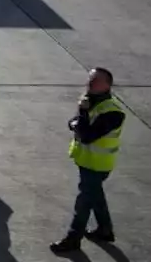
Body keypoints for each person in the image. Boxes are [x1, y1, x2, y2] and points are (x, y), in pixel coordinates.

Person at [50, 68, 126, 253]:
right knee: (95, 196)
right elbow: (73, 122)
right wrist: (78, 118)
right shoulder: (90, 99)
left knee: (84, 201)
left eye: (95, 80)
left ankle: (73, 238)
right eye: (90, 79)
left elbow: (86, 135)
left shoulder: (113, 111)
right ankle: (105, 230)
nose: (90, 83)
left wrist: (81, 115)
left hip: (98, 165)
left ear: (107, 85)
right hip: (86, 160)